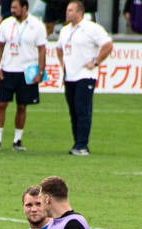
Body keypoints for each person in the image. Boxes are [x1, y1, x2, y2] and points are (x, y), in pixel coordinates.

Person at [56, 1, 112, 156]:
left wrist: (95, 61)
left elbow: (107, 44)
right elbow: (59, 48)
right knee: (73, 111)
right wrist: (64, 65)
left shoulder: (91, 28)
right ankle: (77, 143)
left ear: (79, 12)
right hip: (70, 76)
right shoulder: (65, 30)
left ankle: (82, 145)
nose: (67, 13)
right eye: (67, 10)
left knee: (82, 110)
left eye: (70, 10)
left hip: (85, 76)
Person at [0, 0, 46, 151]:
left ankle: (17, 140)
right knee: (1, 104)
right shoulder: (6, 24)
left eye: (15, 8)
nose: (12, 10)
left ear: (24, 8)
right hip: (8, 69)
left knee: (22, 106)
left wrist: (40, 71)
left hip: (27, 71)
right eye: (11, 8)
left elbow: (42, 50)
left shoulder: (37, 25)